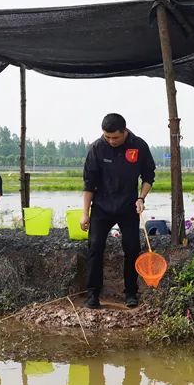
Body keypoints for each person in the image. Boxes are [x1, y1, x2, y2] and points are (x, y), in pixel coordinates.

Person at [80, 113, 154, 310]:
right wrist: (85, 213)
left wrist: (141, 198)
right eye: (107, 137)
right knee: (95, 246)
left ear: (125, 131)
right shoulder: (97, 148)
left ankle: (130, 292)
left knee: (132, 247)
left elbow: (148, 176)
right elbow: (89, 184)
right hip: (102, 206)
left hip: (128, 206)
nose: (111, 141)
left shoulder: (139, 146)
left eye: (115, 137)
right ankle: (93, 294)